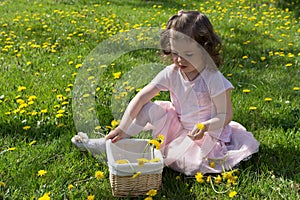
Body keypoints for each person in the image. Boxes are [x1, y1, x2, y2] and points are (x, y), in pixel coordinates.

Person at [72, 10, 259, 175]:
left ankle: (154, 151)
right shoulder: (172, 73)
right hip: (180, 126)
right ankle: (111, 143)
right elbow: (142, 96)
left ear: (205, 50)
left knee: (192, 161)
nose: (179, 60)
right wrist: (122, 126)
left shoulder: (212, 78)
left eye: (188, 54)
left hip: (205, 134)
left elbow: (225, 114)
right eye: (175, 53)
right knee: (149, 108)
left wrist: (206, 126)